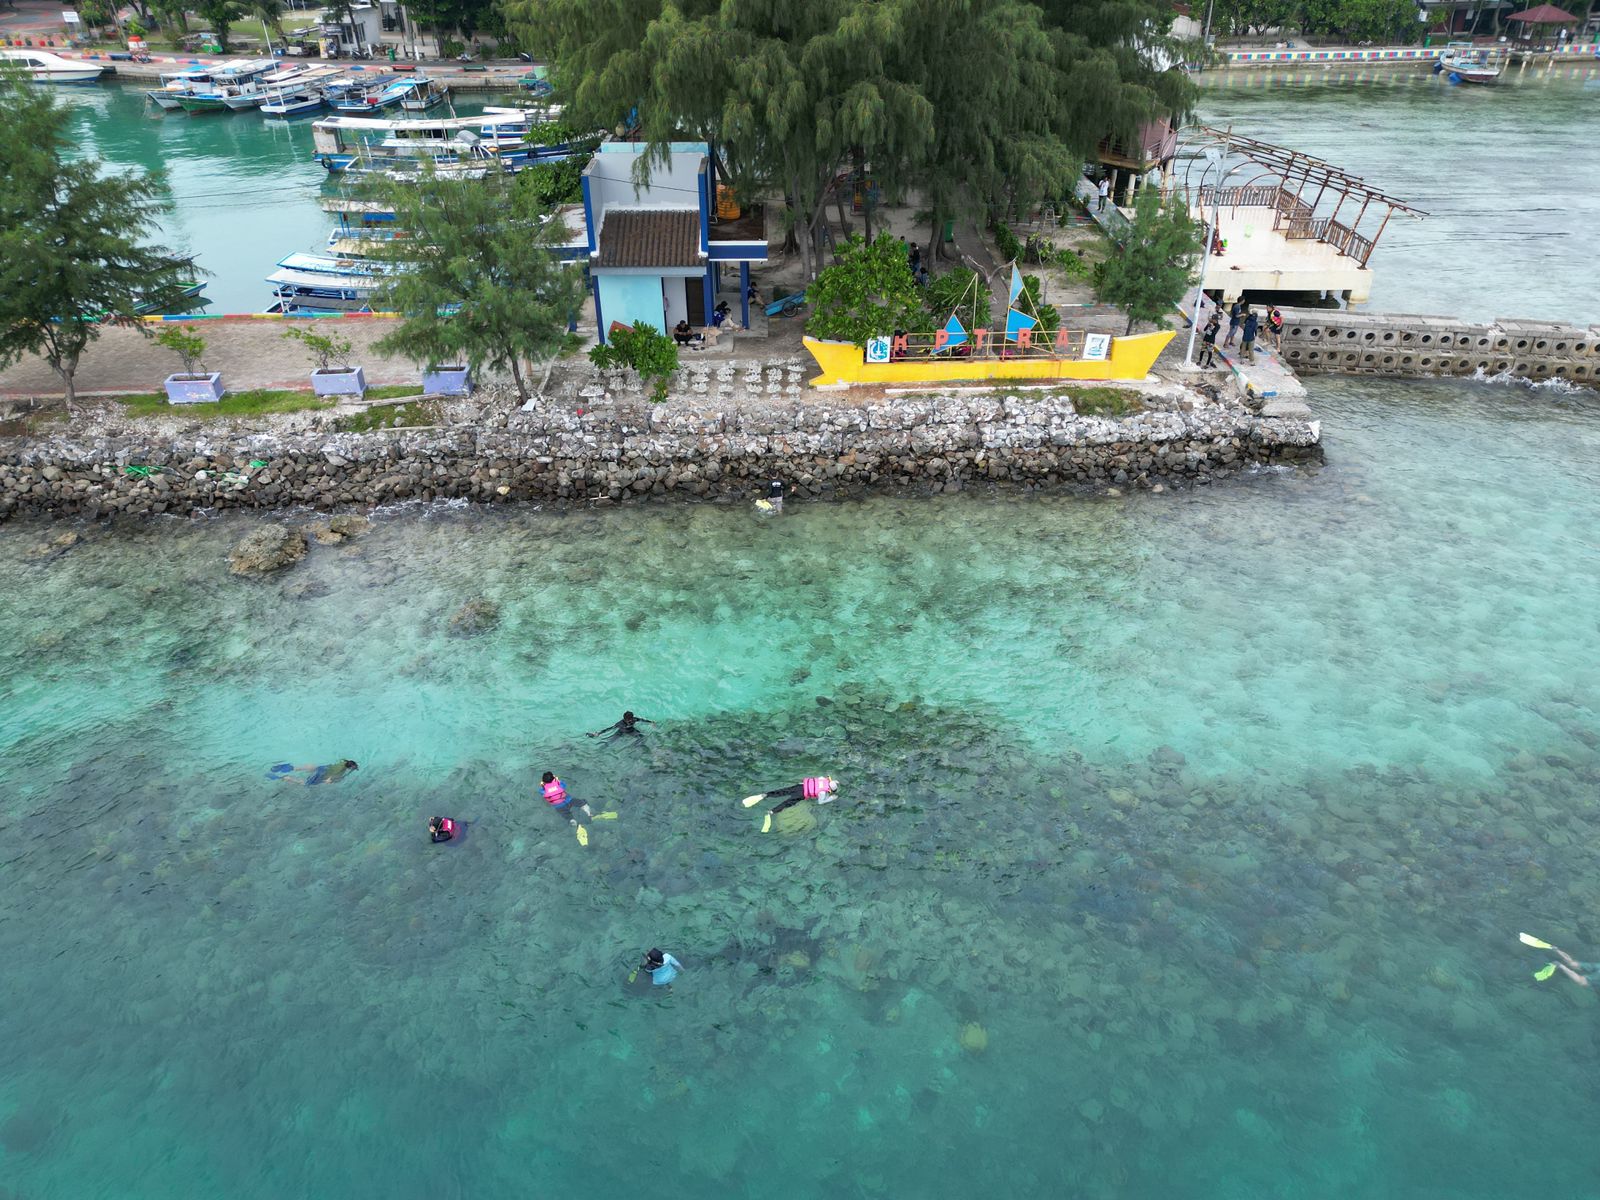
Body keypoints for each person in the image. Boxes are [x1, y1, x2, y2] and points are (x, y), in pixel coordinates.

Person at [741, 776, 840, 833]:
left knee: (784, 791)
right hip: (801, 794)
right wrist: (831, 798)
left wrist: (835, 782)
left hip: (800, 786)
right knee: (788, 803)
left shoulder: (822, 779)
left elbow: (822, 781)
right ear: (830, 790)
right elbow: (820, 802)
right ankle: (771, 812)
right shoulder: (823, 792)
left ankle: (766, 795)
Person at [272, 759, 358, 786]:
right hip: (322, 774)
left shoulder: (343, 761)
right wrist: (328, 781)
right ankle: (288, 778)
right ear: (349, 767)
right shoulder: (341, 771)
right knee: (306, 784)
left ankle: (294, 768)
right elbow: (334, 776)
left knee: (313, 768)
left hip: (323, 768)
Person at [587, 711, 652, 739]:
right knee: (611, 742)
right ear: (625, 719)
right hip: (621, 731)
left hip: (631, 730)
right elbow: (609, 728)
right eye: (628, 720)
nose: (630, 721)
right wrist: (599, 733)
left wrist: (652, 723)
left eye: (631, 719)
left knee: (642, 737)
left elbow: (642, 720)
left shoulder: (634, 719)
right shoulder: (620, 724)